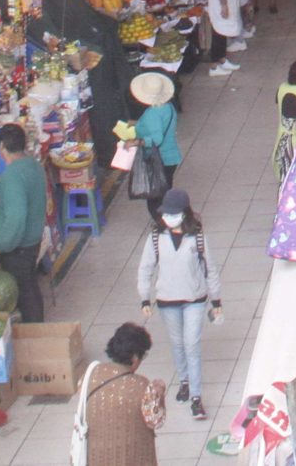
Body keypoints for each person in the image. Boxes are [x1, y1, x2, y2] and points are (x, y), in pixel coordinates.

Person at [136, 189, 222, 422]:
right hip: (166, 300)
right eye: (167, 213)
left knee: (191, 345)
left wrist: (216, 300)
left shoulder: (198, 237)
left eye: (174, 213)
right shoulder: (155, 237)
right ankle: (184, 381)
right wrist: (145, 298)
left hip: (195, 299)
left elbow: (210, 269)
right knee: (177, 344)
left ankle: (196, 397)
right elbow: (146, 268)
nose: (169, 217)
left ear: (184, 214)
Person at [0, 122, 49, 323]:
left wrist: (2, 244)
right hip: (32, 240)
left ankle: (35, 332)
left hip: (18, 247)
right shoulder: (34, 165)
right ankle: (38, 329)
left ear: (2, 147)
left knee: (24, 292)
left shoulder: (13, 175)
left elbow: (16, 216)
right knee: (30, 285)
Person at [78, 322, 165, 466]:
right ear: (135, 357)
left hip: (95, 456)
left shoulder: (91, 374)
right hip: (132, 457)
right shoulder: (142, 385)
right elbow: (155, 420)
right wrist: (158, 395)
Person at [127, 74, 182, 223]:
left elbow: (156, 139)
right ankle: (170, 221)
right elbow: (159, 125)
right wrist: (136, 123)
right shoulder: (168, 107)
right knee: (165, 192)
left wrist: (135, 142)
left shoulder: (152, 113)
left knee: (155, 198)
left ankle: (163, 225)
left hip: (159, 159)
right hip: (171, 156)